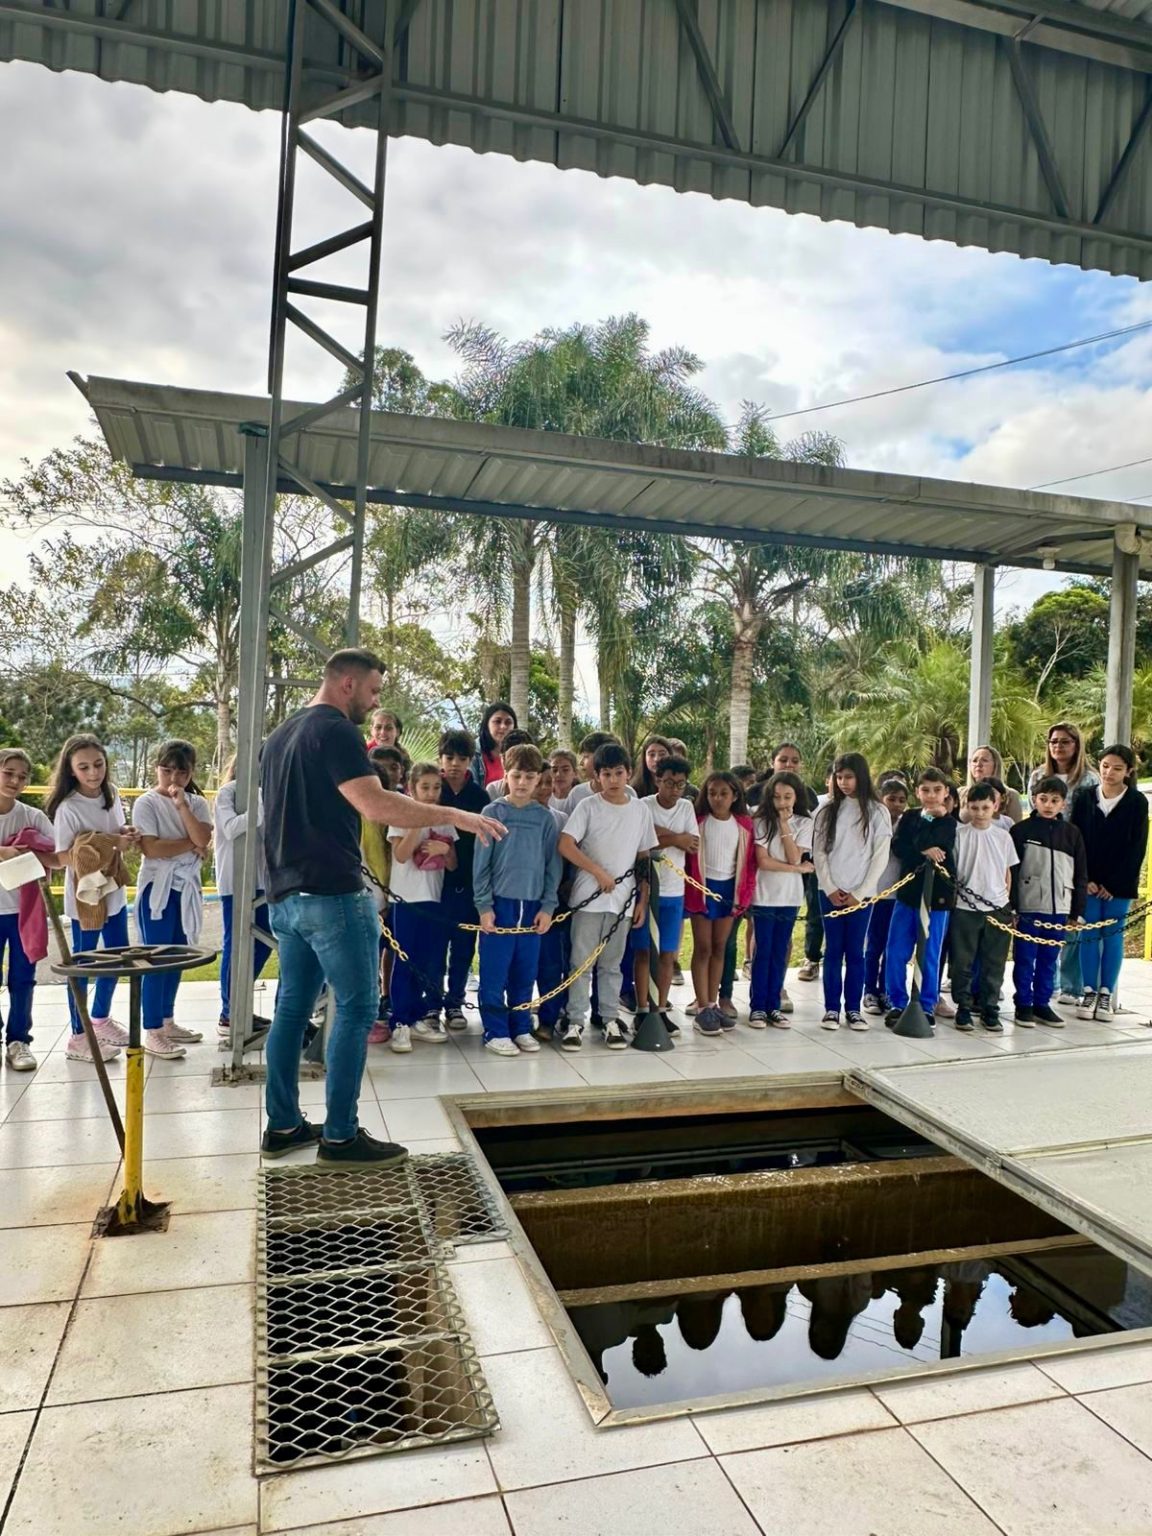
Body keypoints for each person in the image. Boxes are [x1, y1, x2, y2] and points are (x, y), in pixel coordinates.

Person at [259, 648, 503, 1168]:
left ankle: (282, 1125)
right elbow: (375, 803)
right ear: (347, 683)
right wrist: (455, 816)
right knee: (357, 1009)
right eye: (373, 691)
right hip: (332, 893)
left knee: (292, 1009)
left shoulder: (281, 734)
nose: (375, 704)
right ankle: (341, 1137)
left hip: (285, 894)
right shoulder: (336, 731)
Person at [46, 733, 141, 1064]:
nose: (93, 773)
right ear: (71, 770)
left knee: (117, 958)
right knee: (83, 964)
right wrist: (109, 842)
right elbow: (63, 857)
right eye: (84, 767)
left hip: (113, 890)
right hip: (85, 896)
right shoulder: (68, 807)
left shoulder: (110, 793)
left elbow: (117, 833)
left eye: (98, 764)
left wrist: (125, 835)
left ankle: (99, 1019)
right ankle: (78, 1036)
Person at [557, 742, 657, 1051]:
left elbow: (644, 856)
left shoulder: (640, 810)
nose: (613, 780)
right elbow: (566, 844)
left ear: (629, 773)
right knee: (581, 962)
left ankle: (610, 1018)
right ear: (596, 776)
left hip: (623, 900)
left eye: (618, 773)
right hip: (588, 897)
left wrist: (642, 900)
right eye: (606, 774)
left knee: (612, 965)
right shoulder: (588, 806)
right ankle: (575, 1021)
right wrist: (597, 872)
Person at [473, 744, 562, 1056]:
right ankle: (495, 1031)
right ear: (506, 776)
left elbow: (552, 866)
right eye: (516, 775)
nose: (522, 782)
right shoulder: (492, 813)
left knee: (525, 972)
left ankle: (521, 1026)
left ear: (538, 779)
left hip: (533, 907)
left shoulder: (545, 819)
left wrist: (548, 907)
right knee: (495, 973)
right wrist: (484, 907)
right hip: (500, 906)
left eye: (529, 776)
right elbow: (481, 866)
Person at [132, 740, 213, 1057]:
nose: (173, 779)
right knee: (156, 957)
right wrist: (190, 843)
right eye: (167, 771)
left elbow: (204, 837)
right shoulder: (146, 803)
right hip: (158, 887)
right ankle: (152, 1029)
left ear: (191, 773)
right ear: (157, 769)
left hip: (184, 887)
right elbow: (152, 848)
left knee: (178, 955)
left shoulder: (197, 803)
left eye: (182, 772)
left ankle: (167, 1020)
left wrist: (182, 808)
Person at [1071, 743, 1149, 1022]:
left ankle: (1106, 993)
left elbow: (1136, 847)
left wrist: (1113, 884)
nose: (1109, 772)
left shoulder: (1137, 802)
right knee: (1088, 934)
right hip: (1088, 882)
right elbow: (1077, 842)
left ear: (1128, 771)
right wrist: (1087, 879)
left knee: (1113, 935)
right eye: (1105, 766)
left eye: (1117, 768)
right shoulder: (1084, 797)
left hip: (1119, 885)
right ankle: (1089, 991)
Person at [813, 753, 890, 1031]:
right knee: (833, 950)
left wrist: (861, 891)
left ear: (861, 776)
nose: (843, 782)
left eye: (849, 776)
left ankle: (854, 1010)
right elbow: (819, 853)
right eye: (839, 777)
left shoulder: (877, 811)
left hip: (861, 895)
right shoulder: (826, 810)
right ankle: (831, 1009)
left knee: (856, 951)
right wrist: (830, 888)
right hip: (830, 892)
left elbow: (880, 856)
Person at [388, 763, 458, 1052]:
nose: (431, 793)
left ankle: (417, 1016)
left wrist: (445, 849)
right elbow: (401, 855)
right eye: (425, 787)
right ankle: (399, 1022)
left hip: (433, 898)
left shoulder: (444, 818)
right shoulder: (400, 815)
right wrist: (417, 823)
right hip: (405, 898)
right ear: (412, 788)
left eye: (436, 787)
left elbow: (452, 864)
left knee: (426, 959)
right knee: (404, 959)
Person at [1029, 722, 1098, 1005]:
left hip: (1073, 849)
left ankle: (1071, 985)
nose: (1058, 746)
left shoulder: (1089, 779)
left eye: (1065, 741)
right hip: (1042, 851)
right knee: (1043, 922)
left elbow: (1092, 822)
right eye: (1054, 741)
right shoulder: (1038, 775)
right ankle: (1048, 984)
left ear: (1076, 745)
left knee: (1070, 919)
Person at [1010, 776, 1087, 1027]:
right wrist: (1012, 907)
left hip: (1060, 908)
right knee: (1025, 958)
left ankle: (1042, 1004)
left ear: (1063, 803)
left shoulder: (1072, 833)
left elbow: (1080, 874)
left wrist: (1076, 911)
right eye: (1043, 799)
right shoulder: (1021, 831)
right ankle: (1023, 1004)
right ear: (1034, 800)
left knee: (1049, 959)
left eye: (1055, 800)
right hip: (1028, 906)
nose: (1048, 805)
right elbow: (1011, 872)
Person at [684, 771, 757, 1036]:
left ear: (735, 796)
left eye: (724, 793)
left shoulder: (744, 825)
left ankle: (713, 1003)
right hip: (702, 890)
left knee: (720, 947)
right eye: (712, 793)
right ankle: (702, 1006)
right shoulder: (698, 822)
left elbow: (749, 864)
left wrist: (743, 897)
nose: (717, 798)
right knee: (703, 947)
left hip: (729, 891)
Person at [883, 768, 957, 1029]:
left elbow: (940, 847)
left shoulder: (949, 822)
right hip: (908, 894)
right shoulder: (910, 817)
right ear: (917, 792)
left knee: (930, 953)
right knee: (896, 950)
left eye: (937, 790)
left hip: (937, 898)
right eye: (925, 790)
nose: (931, 795)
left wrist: (924, 842)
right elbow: (901, 846)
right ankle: (897, 1002)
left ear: (946, 792)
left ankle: (927, 1005)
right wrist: (924, 839)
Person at [0, 748, 59, 1072]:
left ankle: (19, 1040)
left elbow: (58, 855)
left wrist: (33, 854)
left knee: (23, 979)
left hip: (23, 912)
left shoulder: (32, 817)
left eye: (22, 776)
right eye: (8, 773)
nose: (15, 781)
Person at [948, 781, 1018, 1033]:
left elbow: (1007, 871)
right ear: (967, 806)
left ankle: (990, 1009)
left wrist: (1007, 903)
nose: (979, 813)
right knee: (962, 962)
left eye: (985, 807)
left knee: (994, 962)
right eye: (975, 807)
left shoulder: (1003, 836)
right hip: (965, 908)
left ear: (995, 806)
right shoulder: (959, 835)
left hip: (997, 907)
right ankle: (963, 1008)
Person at [215, 754, 274, 1044]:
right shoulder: (229, 793)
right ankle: (229, 1012)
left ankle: (241, 1002)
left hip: (262, 880)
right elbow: (231, 827)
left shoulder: (268, 792)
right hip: (236, 880)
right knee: (236, 943)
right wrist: (261, 800)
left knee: (263, 941)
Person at [749, 770, 814, 1029]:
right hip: (764, 894)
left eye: (788, 797)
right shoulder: (760, 820)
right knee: (763, 950)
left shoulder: (804, 823)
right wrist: (797, 869)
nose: (782, 802)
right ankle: (757, 1007)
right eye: (777, 797)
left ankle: (773, 1006)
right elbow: (764, 862)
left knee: (780, 951)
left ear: (796, 797)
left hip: (790, 896)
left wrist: (785, 826)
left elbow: (794, 856)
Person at [635, 755, 696, 1029]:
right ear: (658, 780)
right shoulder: (643, 805)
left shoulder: (686, 807)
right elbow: (643, 841)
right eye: (669, 783)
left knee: (668, 954)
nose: (674, 789)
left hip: (674, 890)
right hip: (647, 890)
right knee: (644, 951)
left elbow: (691, 843)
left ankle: (660, 1009)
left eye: (680, 784)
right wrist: (676, 838)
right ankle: (641, 1008)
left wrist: (661, 835)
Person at [437, 728, 489, 1030]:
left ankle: (455, 1003)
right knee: (434, 947)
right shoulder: (431, 791)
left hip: (469, 884)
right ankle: (431, 1004)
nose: (454, 764)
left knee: (463, 948)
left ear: (470, 760)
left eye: (461, 758)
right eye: (449, 757)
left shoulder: (480, 797)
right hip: (433, 884)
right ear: (440, 759)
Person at [863, 775, 908, 1016]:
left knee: (893, 946)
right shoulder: (872, 824)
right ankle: (869, 990)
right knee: (874, 945)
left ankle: (885, 990)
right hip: (875, 893)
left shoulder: (907, 825)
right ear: (881, 799)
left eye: (902, 800)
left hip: (898, 895)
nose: (897, 805)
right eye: (892, 799)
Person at [361, 747, 397, 1042]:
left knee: (388, 953)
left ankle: (381, 1005)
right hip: (368, 900)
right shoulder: (357, 819)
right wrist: (377, 901)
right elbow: (363, 863)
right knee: (365, 961)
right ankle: (367, 1016)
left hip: (391, 896)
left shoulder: (388, 818)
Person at [534, 765, 571, 1039]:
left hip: (554, 901)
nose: (545, 788)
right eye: (540, 782)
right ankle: (516, 1016)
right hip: (521, 898)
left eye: (549, 782)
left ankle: (550, 1017)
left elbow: (567, 859)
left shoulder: (562, 819)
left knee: (551, 963)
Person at [962, 746, 1024, 822]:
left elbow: (1016, 826)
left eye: (984, 760)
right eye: (974, 761)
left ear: (996, 765)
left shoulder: (1011, 795)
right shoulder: (960, 793)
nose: (978, 764)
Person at [470, 701, 517, 787]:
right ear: (487, 724)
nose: (503, 726)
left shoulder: (520, 751)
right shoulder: (473, 751)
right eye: (497, 721)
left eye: (508, 722)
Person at [485, 728, 537, 800]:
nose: (519, 764)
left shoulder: (541, 792)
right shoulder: (493, 790)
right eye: (513, 758)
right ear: (502, 760)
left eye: (524, 758)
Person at [630, 735, 673, 800]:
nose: (657, 759)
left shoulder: (681, 787)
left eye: (662, 754)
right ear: (644, 758)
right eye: (652, 755)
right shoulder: (634, 791)